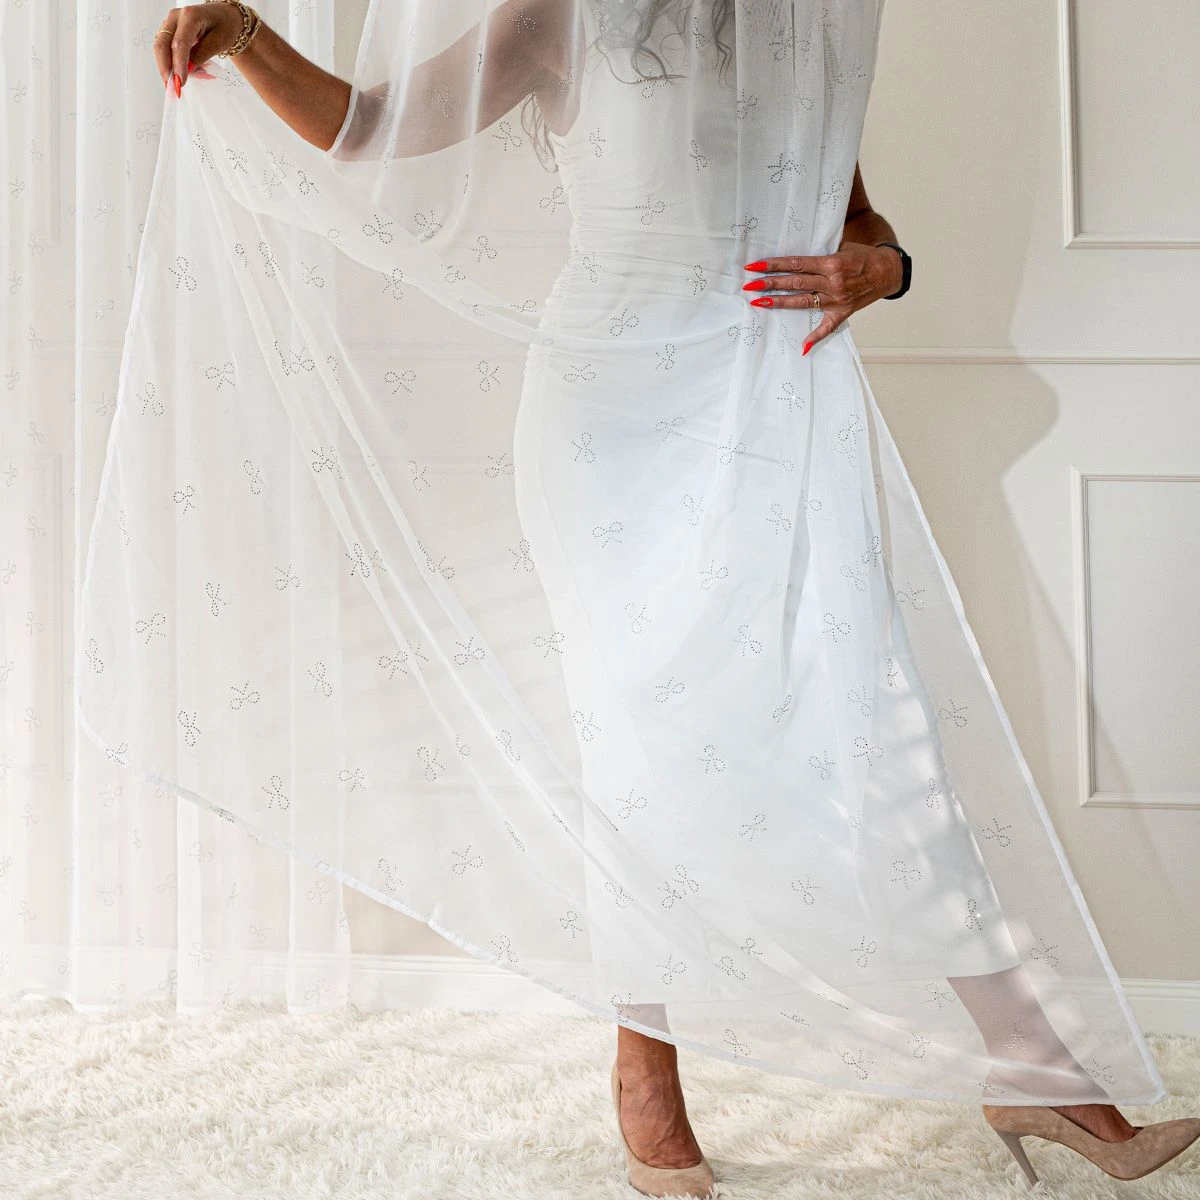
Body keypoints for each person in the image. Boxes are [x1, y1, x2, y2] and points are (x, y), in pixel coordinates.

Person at [131, 3, 1198, 1196]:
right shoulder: (559, 16)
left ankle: (1033, 1061)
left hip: (777, 404)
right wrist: (246, 34)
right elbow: (370, 132)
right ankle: (647, 1077)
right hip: (613, 421)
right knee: (639, 747)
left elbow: (854, 216)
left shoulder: (802, 23)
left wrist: (887, 268)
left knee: (872, 713)